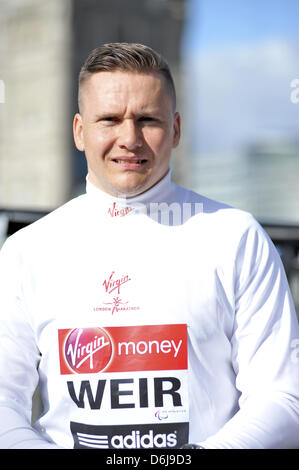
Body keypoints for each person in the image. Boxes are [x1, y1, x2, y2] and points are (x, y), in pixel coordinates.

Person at [0, 42, 298, 450]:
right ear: (79, 132)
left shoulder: (236, 237)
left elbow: (282, 397)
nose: (129, 138)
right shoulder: (25, 252)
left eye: (147, 119)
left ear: (175, 129)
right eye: (109, 119)